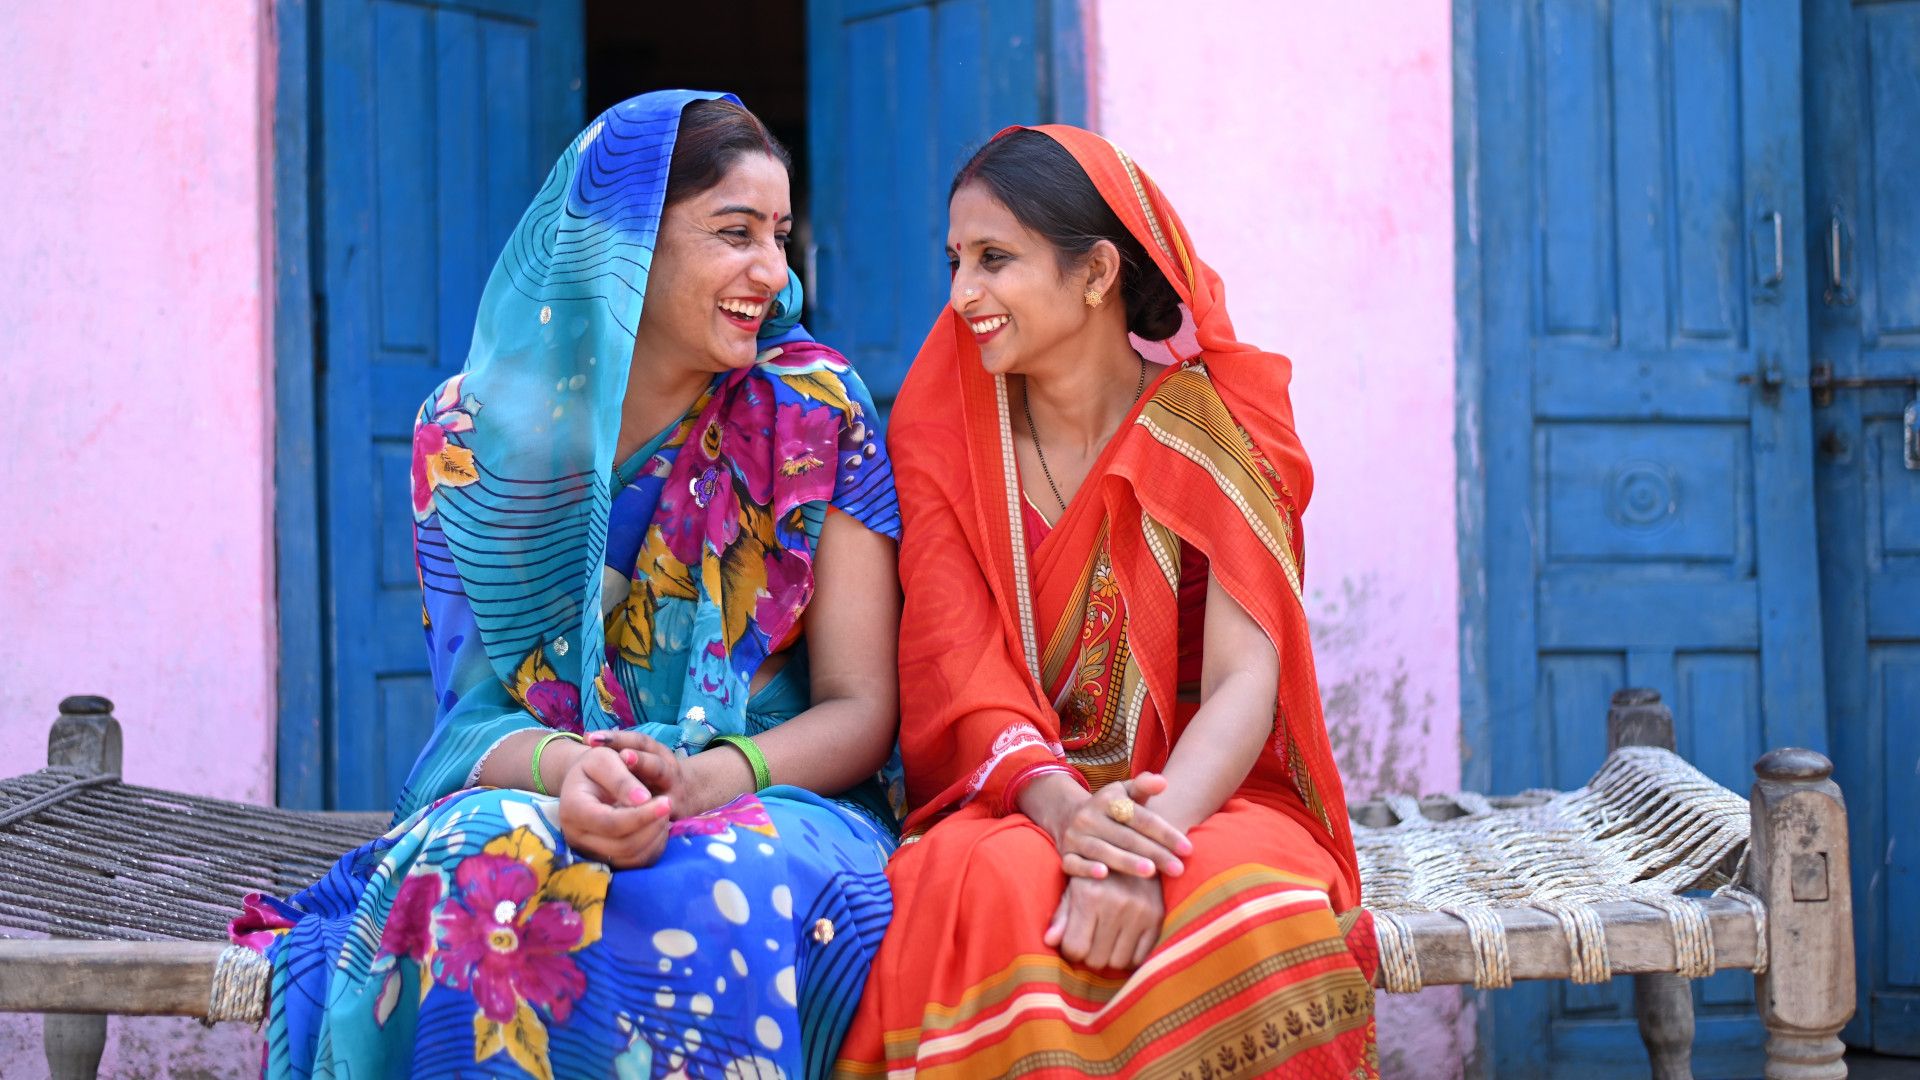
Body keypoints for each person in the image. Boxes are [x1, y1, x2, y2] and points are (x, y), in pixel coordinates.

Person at [233, 90, 903, 1080]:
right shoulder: (470, 442)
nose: (774, 272)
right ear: (621, 244)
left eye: (780, 235)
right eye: (735, 234)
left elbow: (862, 710)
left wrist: (703, 781)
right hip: (558, 786)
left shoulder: (814, 414)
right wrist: (570, 776)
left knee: (712, 875)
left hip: (774, 791)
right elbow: (474, 723)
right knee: (481, 857)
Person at [833, 126, 1377, 1078]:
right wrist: (1066, 813)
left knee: (1248, 900)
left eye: (994, 260)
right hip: (1016, 796)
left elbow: (1250, 677)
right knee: (987, 887)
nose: (963, 295)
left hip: (1200, 793)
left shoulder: (1215, 425)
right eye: (955, 261)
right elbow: (960, 670)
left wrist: (1139, 845)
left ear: (1096, 275)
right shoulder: (942, 432)